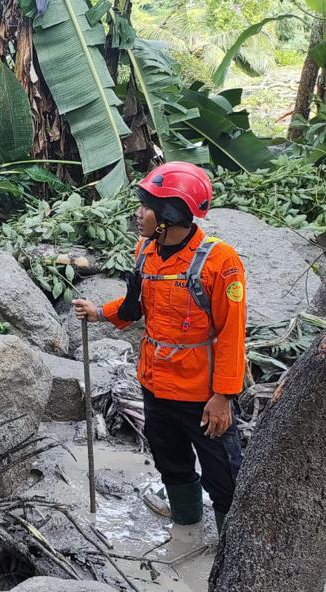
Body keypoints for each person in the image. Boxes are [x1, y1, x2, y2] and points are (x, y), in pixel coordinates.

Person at [72, 162, 247, 533]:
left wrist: (224, 396)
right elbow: (134, 308)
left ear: (170, 214)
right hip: (155, 384)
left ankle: (232, 554)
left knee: (225, 478)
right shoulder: (144, 252)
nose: (139, 214)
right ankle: (186, 528)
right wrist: (98, 313)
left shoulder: (219, 261)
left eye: (146, 206)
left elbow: (232, 332)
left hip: (202, 395)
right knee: (173, 465)